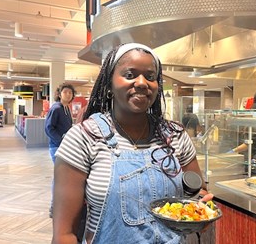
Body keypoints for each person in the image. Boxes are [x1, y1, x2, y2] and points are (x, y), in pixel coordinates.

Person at [52, 43, 213, 244]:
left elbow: (198, 194)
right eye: (130, 75)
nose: (142, 83)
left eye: (151, 77)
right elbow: (64, 234)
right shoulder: (83, 138)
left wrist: (200, 211)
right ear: (109, 84)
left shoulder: (175, 136)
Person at [44, 83, 76, 217]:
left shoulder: (66, 108)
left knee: (63, 176)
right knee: (59, 176)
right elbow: (48, 128)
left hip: (64, 147)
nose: (68, 94)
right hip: (57, 147)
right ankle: (54, 206)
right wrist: (62, 141)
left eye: (70, 93)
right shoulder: (56, 108)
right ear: (59, 94)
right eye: (65, 92)